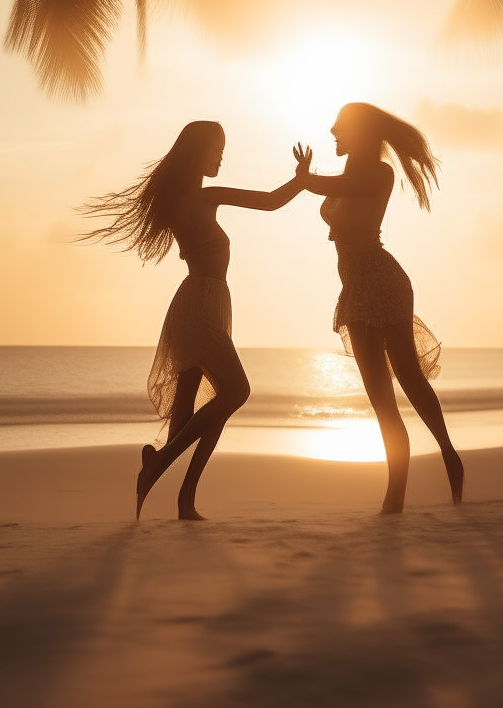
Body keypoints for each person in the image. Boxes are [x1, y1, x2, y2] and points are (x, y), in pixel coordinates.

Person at [80, 121, 310, 521]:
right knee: (235, 391)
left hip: (204, 305)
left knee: (194, 413)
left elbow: (269, 202)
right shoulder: (203, 199)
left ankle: (184, 500)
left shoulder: (180, 201)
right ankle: (160, 467)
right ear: (197, 151)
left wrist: (300, 180)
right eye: (216, 149)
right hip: (200, 308)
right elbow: (271, 201)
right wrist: (303, 180)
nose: (221, 156)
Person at [301, 103, 464, 511]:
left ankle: (447, 453)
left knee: (409, 377)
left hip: (384, 280)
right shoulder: (346, 176)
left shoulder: (378, 173)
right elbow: (332, 189)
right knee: (381, 399)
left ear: (360, 133)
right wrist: (305, 181)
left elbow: (336, 191)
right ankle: (396, 496)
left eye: (340, 127)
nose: (333, 132)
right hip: (356, 289)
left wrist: (306, 179)